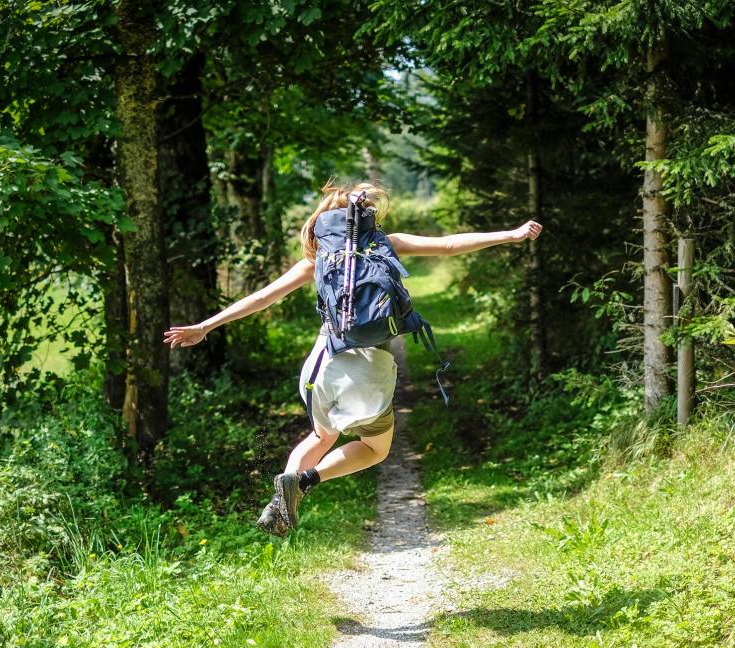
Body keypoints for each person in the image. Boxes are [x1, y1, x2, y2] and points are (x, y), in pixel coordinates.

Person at [164, 181, 542, 536]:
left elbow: (261, 298)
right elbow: (448, 246)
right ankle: (305, 481)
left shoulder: (316, 262)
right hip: (365, 371)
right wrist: (509, 235)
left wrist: (205, 326)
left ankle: (283, 497)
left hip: (320, 366)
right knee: (375, 448)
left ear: (323, 223)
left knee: (321, 435)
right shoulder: (386, 245)